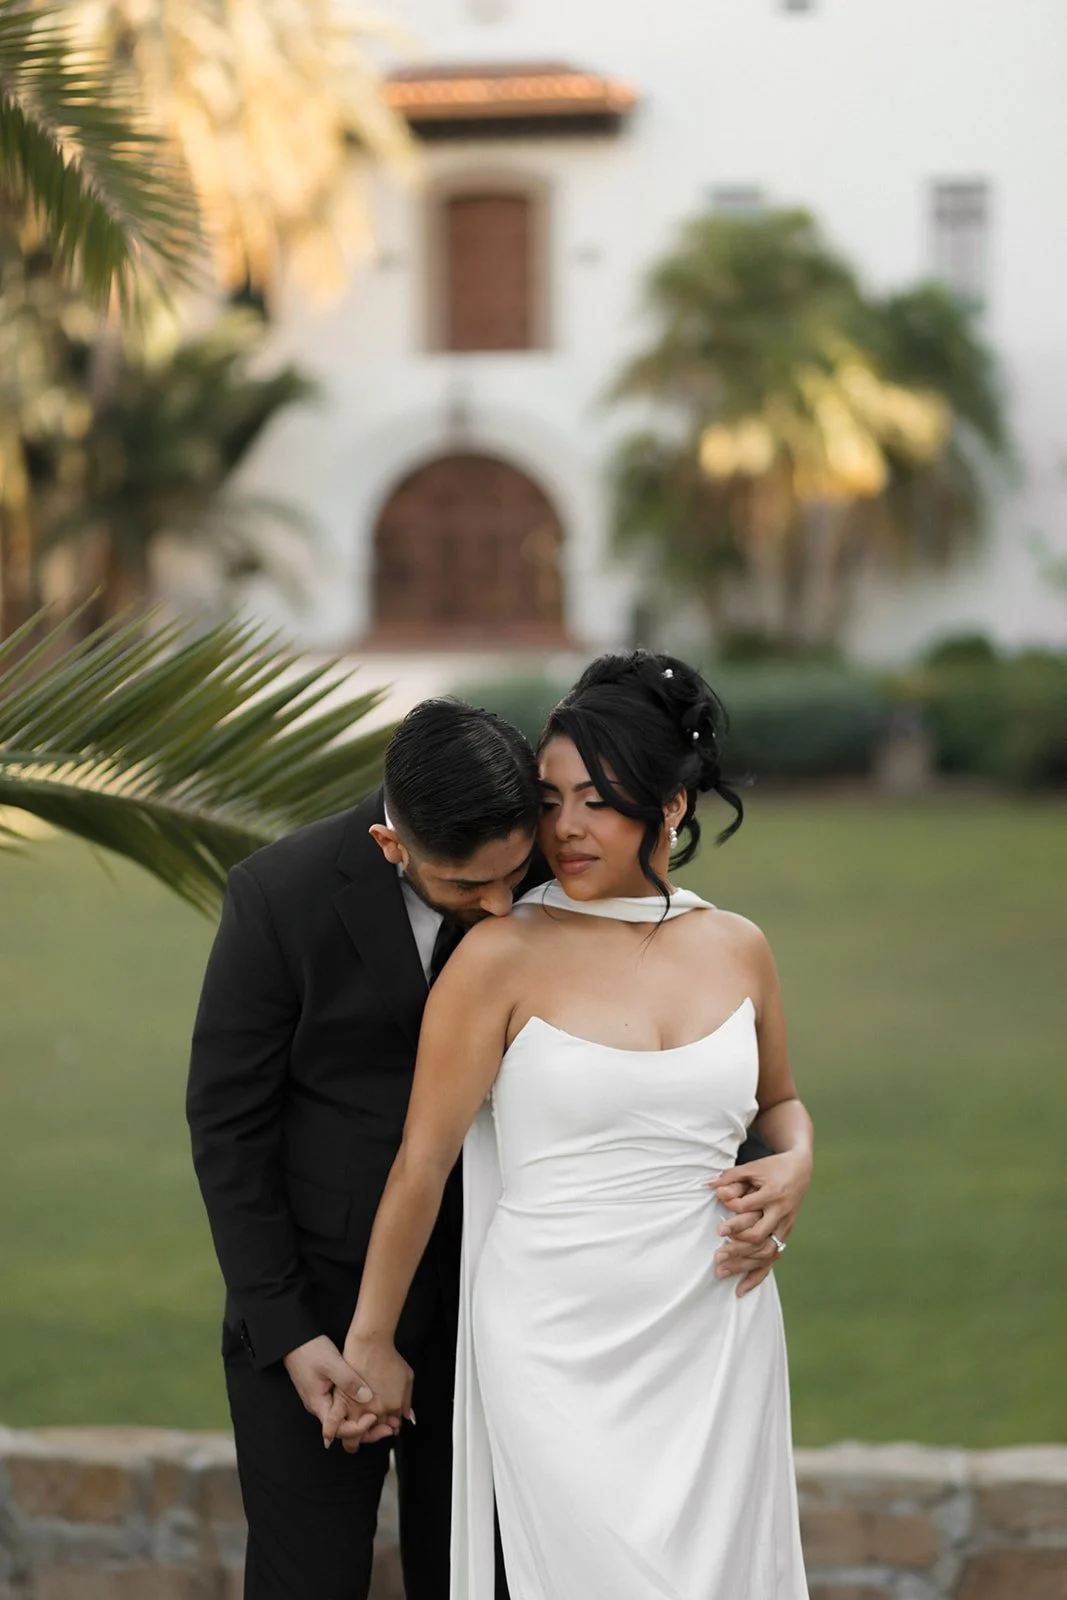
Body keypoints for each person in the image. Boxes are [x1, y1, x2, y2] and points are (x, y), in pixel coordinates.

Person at [329, 652, 814, 1599]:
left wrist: (797, 1163)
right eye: (549, 800)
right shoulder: (498, 955)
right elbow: (421, 1164)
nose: (564, 828)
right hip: (553, 1341)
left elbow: (780, 1104)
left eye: (596, 798)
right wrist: (371, 1340)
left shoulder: (738, 947)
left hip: (716, 1330)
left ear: (669, 804)